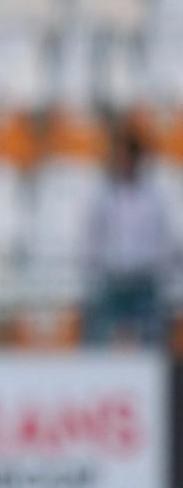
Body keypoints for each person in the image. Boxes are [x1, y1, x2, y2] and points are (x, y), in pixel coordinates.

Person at [82, 125, 176, 346]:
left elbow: (165, 236)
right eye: (118, 157)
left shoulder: (154, 196)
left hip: (145, 279)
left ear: (137, 159)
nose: (121, 162)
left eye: (126, 156)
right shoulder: (103, 194)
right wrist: (95, 269)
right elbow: (91, 235)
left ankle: (156, 378)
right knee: (97, 336)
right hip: (112, 278)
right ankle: (95, 377)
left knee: (154, 340)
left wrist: (159, 269)